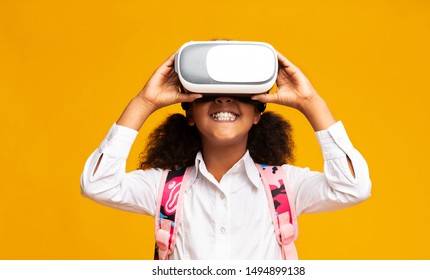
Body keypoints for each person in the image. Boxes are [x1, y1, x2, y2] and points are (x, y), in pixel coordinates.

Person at [80, 49, 371, 260]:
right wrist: (143, 102)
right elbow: (97, 184)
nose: (223, 98)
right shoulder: (164, 189)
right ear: (190, 113)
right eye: (207, 93)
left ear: (258, 113)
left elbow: (353, 187)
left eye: (239, 93)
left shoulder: (285, 187)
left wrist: (310, 102)